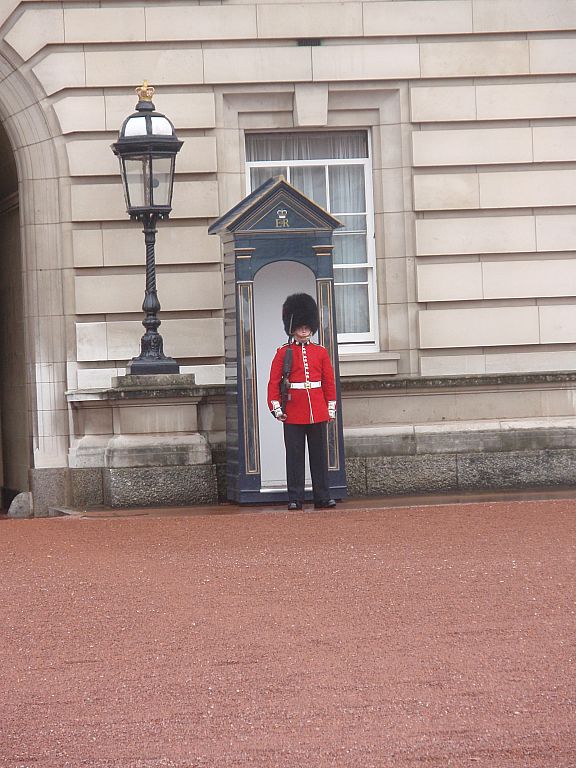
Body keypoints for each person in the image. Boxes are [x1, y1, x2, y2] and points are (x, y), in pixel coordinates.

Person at [267, 293, 337, 511]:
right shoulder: (283, 353)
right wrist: (276, 408)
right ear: (293, 327)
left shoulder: (320, 352)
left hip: (317, 410)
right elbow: (273, 383)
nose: (304, 330)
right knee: (295, 457)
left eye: (307, 326)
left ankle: (322, 496)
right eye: (300, 326)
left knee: (319, 457)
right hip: (293, 411)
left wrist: (330, 407)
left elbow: (328, 382)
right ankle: (295, 497)